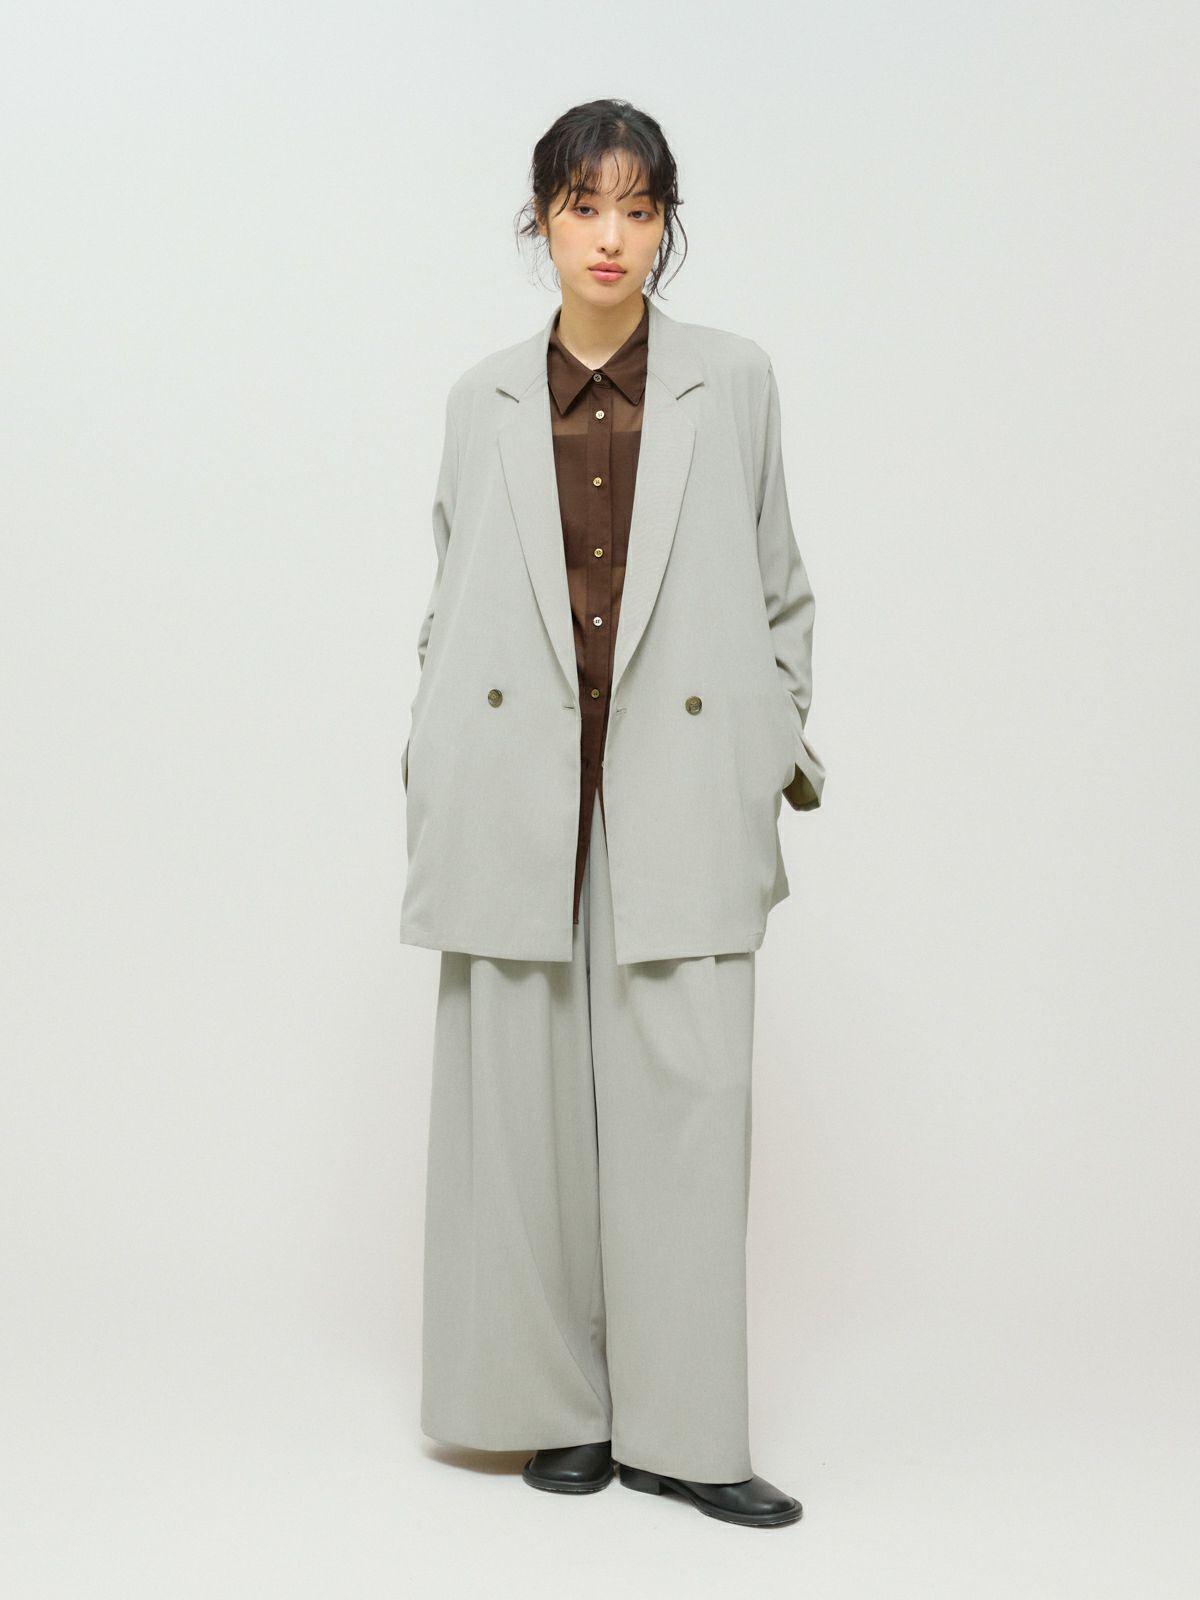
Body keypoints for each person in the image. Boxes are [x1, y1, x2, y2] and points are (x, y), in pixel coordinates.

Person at [402, 98, 825, 1529]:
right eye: (585, 205)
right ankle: (552, 1413)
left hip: (680, 786)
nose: (611, 236)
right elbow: (449, 597)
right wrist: (431, 752)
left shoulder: (733, 380)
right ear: (542, 218)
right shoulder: (482, 398)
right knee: (518, 1127)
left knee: (689, 1110)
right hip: (513, 787)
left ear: (666, 227)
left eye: (640, 209)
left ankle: (687, 1433)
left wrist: (769, 742)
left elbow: (782, 588)